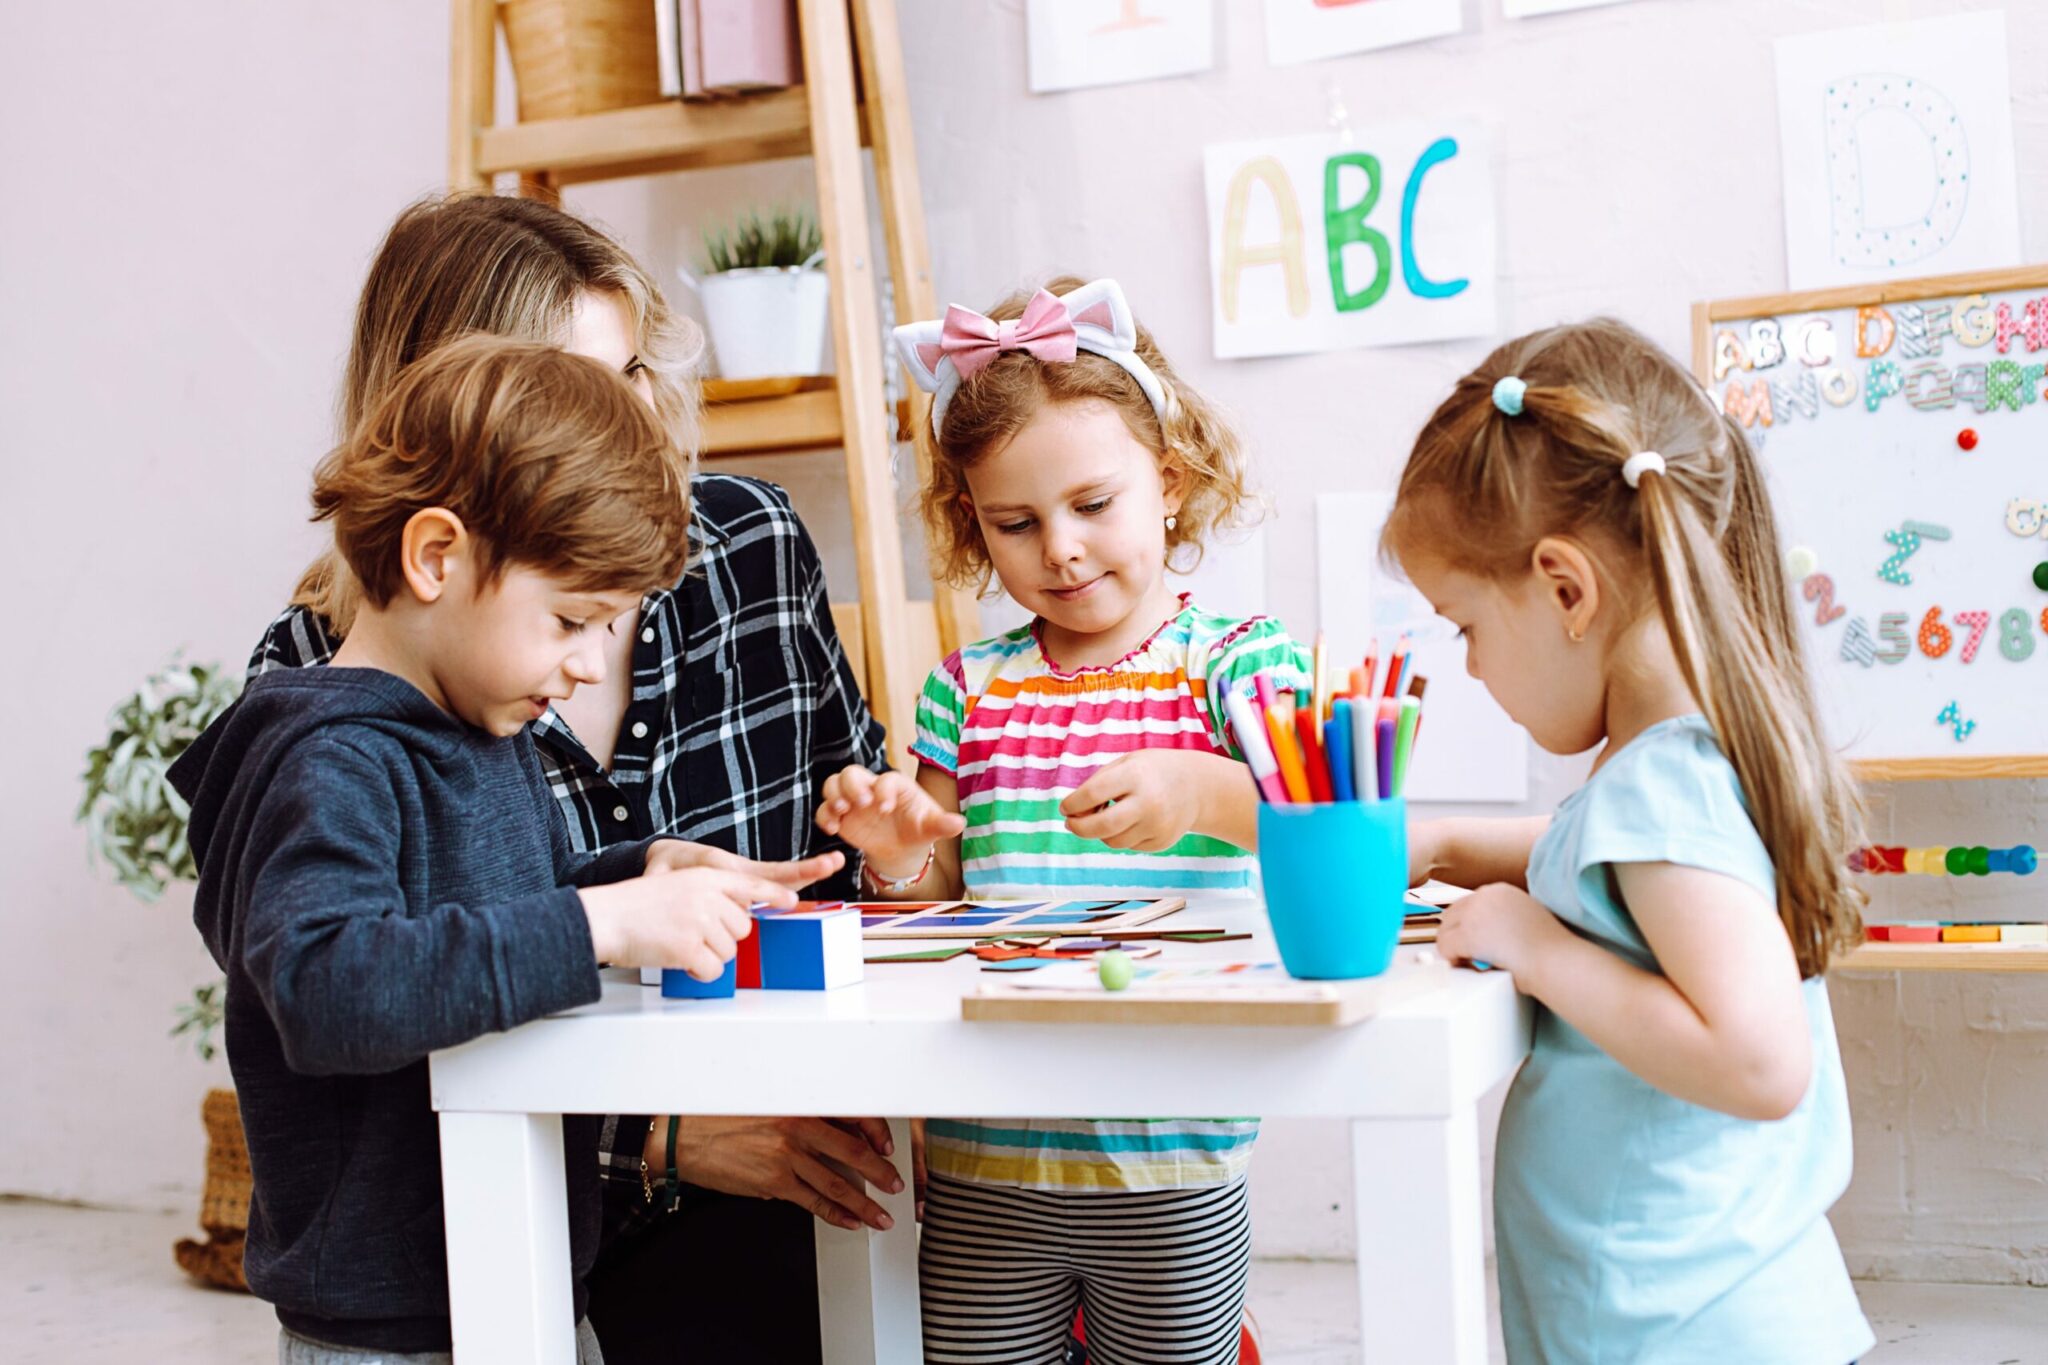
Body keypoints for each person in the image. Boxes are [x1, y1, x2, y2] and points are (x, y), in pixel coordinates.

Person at [252, 193, 901, 1363]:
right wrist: (650, 1130)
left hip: (653, 1227)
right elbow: (347, 998)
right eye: (569, 392)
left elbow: (848, 869)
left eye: (631, 377)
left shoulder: (743, 544)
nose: (625, 425)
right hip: (491, 1225)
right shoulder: (329, 709)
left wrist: (644, 873)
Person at [172, 337, 798, 1362]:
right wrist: (599, 922)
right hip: (396, 1326)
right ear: (434, 558)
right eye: (570, 620)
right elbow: (330, 988)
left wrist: (631, 876)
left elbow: (493, 905)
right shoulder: (331, 761)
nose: (592, 666)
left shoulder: (478, 728)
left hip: (521, 1267)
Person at [817, 277, 1298, 1364]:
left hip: (1174, 1150)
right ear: (973, 525)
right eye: (1015, 524)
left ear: (1166, 485)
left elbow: (1325, 828)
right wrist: (897, 855)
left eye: (1093, 505)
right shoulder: (965, 690)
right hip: (986, 1146)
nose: (1061, 550)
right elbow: (934, 900)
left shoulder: (1234, 659)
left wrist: (1202, 792)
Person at [1385, 320, 1875, 1362]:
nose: (1467, 668)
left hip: (1680, 1325)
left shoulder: (1656, 792)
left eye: (1463, 625)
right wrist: (1449, 847)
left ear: (1564, 589)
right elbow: (1601, 866)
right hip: (1687, 1310)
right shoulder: (1673, 768)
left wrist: (1537, 949)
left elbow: (1755, 1062)